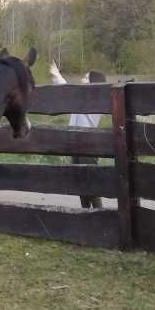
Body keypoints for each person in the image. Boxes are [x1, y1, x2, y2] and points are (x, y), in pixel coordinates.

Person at [49, 61, 106, 209]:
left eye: (86, 78)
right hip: (76, 144)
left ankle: (99, 216)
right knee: (80, 183)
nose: (82, 79)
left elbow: (69, 91)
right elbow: (70, 92)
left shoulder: (94, 100)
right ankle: (86, 216)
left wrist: (57, 75)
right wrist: (56, 75)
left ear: (94, 84)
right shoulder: (82, 96)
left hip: (89, 145)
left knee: (91, 185)